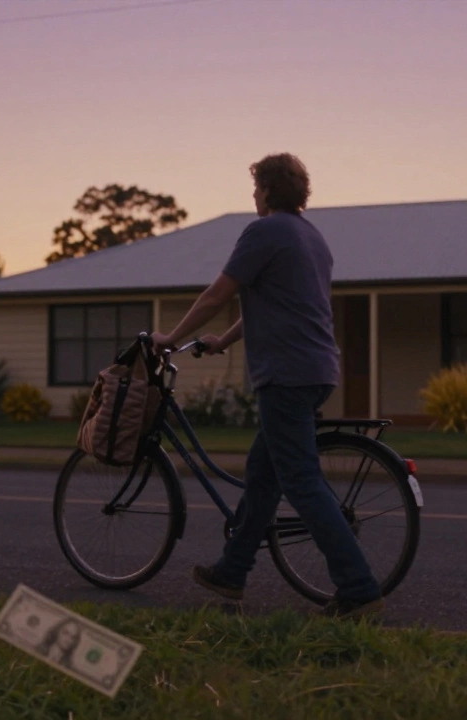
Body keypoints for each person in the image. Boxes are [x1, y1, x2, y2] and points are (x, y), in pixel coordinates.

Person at [150, 153, 384, 619]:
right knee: (263, 476)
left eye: (256, 188)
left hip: (286, 374)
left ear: (270, 191)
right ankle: (232, 572)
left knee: (299, 481)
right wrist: (225, 339)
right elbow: (276, 302)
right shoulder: (311, 237)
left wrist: (170, 337)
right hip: (317, 369)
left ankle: (358, 588)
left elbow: (219, 293)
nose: (253, 195)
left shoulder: (264, 231)